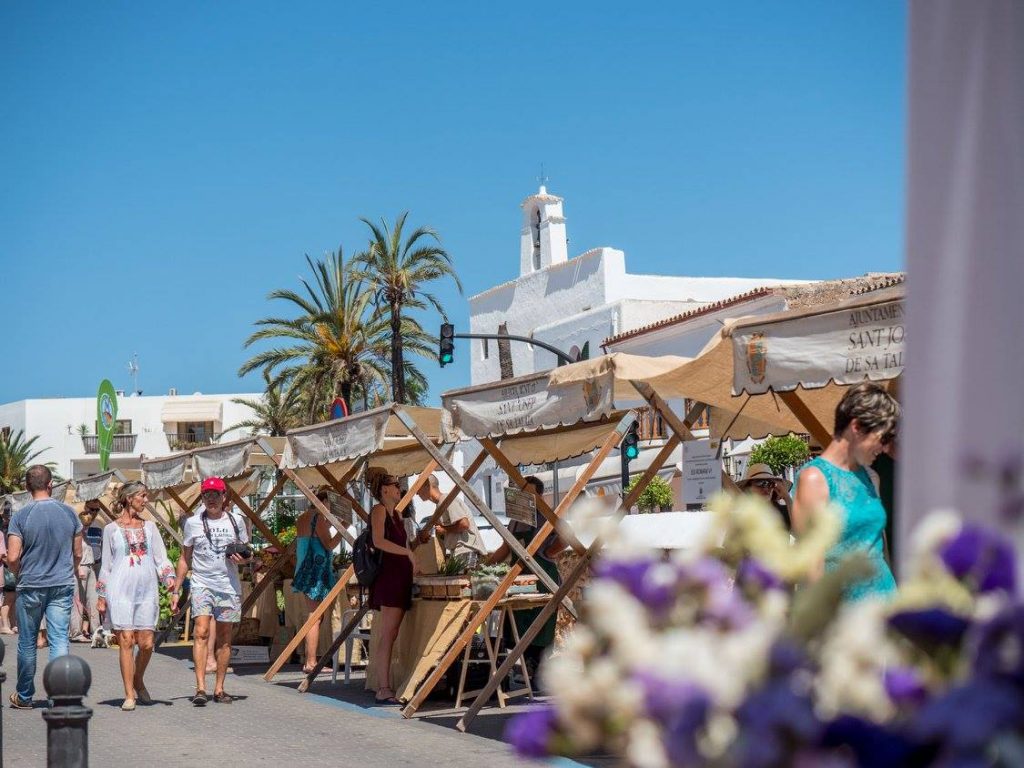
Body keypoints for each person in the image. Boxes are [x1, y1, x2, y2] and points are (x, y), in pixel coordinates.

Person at [792, 382, 899, 601]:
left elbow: (880, 549)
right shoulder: (814, 479)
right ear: (857, 427)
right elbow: (811, 568)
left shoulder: (871, 477)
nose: (885, 448)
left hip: (885, 605)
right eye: (883, 438)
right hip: (844, 616)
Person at [6, 465, 83, 710]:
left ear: (28, 488)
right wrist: (69, 570)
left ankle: (25, 695)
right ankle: (58, 695)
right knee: (59, 639)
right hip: (61, 584)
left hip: (31, 584)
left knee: (27, 642)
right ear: (51, 485)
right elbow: (78, 552)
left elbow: (13, 556)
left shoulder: (20, 516)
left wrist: (19, 574)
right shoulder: (70, 513)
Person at [171, 476, 251, 706]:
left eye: (216, 494)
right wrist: (176, 589)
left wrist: (243, 560)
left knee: (225, 638)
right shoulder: (193, 523)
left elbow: (249, 554)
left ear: (224, 497)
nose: (212, 499)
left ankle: (219, 688)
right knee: (201, 632)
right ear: (203, 498)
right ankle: (200, 688)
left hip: (228, 586)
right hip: (202, 583)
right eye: (207, 495)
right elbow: (185, 558)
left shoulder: (236, 521)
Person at [96, 481, 176, 710]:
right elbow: (107, 566)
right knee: (126, 641)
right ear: (129, 498)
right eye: (143, 496)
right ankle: (129, 693)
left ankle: (138, 678)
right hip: (119, 590)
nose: (146, 500)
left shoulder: (150, 528)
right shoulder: (111, 530)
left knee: (147, 643)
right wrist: (101, 596)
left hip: (147, 590)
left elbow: (161, 559)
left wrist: (169, 581)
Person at [486, 476, 566, 668]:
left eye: (527, 492)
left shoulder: (548, 516)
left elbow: (566, 539)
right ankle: (524, 666)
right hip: (519, 579)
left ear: (537, 494)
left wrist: (547, 552)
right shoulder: (515, 521)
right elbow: (506, 548)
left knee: (542, 623)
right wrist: (486, 566)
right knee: (517, 623)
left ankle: (540, 669)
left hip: (542, 577)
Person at [367, 470, 417, 704]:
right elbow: (378, 541)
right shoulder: (379, 511)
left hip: (400, 576)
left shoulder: (397, 515)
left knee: (392, 633)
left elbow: (401, 544)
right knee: (388, 633)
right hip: (389, 577)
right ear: (384, 489)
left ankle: (386, 684)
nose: (399, 489)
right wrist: (407, 552)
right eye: (396, 485)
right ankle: (383, 687)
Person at [292, 489, 337, 675]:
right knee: (315, 616)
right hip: (315, 572)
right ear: (323, 501)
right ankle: (310, 661)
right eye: (330, 504)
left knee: (315, 615)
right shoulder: (317, 518)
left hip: (304, 569)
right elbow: (329, 544)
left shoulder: (303, 517)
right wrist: (343, 527)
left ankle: (309, 659)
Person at [416, 475, 487, 567]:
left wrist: (444, 529)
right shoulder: (440, 505)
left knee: (464, 580)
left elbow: (464, 524)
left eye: (418, 488)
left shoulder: (447, 500)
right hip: (459, 552)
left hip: (467, 551)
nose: (416, 493)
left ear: (427, 485)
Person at [738, 463, 794, 530]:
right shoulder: (743, 515)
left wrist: (786, 497)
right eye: (760, 483)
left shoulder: (783, 512)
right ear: (748, 488)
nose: (766, 488)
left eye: (770, 484)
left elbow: (801, 533)